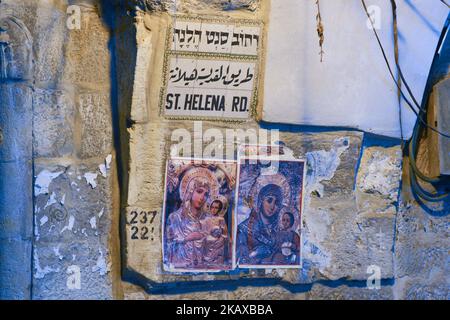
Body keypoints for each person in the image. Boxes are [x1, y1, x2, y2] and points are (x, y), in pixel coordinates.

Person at [165, 176, 210, 269]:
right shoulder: (175, 218)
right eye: (199, 191)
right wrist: (188, 238)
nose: (202, 197)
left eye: (206, 194)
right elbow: (169, 248)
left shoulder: (207, 220)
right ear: (190, 191)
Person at [237, 183, 284, 265]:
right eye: (269, 200)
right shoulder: (244, 228)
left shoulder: (280, 228)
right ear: (261, 201)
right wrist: (255, 253)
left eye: (276, 203)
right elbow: (241, 258)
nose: (272, 206)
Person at [201, 197, 229, 266]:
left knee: (221, 240)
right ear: (209, 207)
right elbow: (204, 232)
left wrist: (220, 234)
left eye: (216, 208)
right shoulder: (207, 219)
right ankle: (208, 259)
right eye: (212, 207)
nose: (213, 209)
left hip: (219, 240)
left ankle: (218, 260)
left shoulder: (221, 219)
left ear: (219, 209)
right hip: (208, 240)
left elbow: (225, 234)